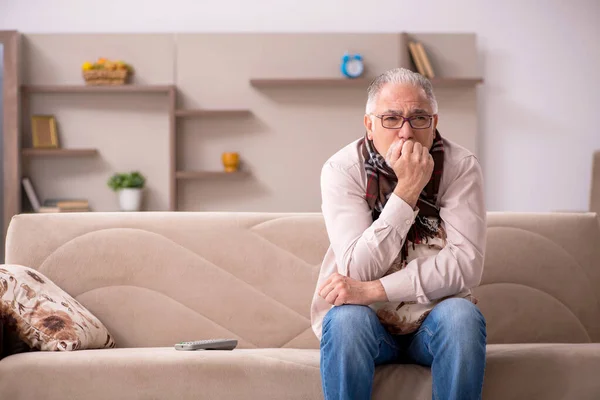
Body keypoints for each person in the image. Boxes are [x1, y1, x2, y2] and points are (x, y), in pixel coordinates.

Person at [310, 67, 487, 400]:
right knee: (345, 320)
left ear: (434, 123)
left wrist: (373, 289)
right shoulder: (343, 169)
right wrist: (408, 190)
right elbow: (355, 270)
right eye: (391, 119)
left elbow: (466, 266)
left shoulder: (460, 166)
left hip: (437, 317)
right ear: (370, 125)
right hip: (367, 324)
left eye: (418, 118)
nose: (405, 133)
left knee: (463, 317)